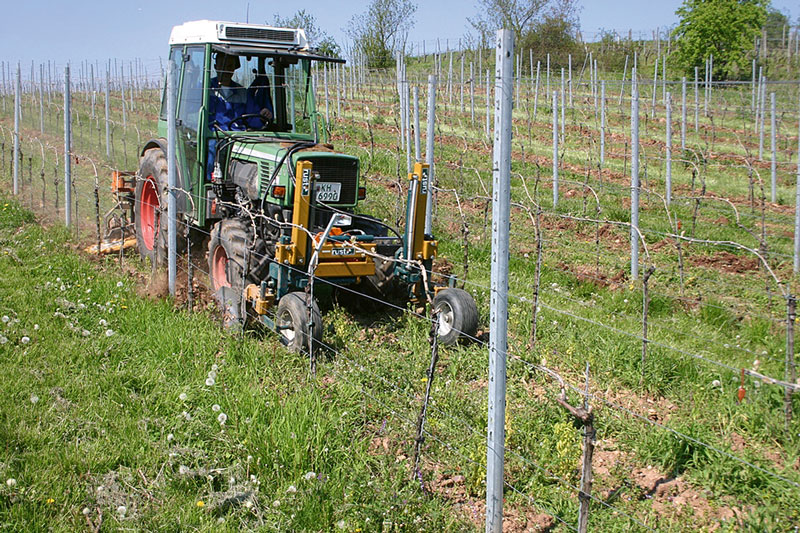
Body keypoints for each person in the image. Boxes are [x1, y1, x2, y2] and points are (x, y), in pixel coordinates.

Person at [207, 53, 274, 179]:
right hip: (216, 135)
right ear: (216, 66)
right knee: (213, 147)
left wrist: (262, 116)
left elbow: (251, 118)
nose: (226, 69)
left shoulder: (242, 92)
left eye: (230, 66)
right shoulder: (206, 89)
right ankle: (210, 180)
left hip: (238, 137)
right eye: (223, 65)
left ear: (234, 68)